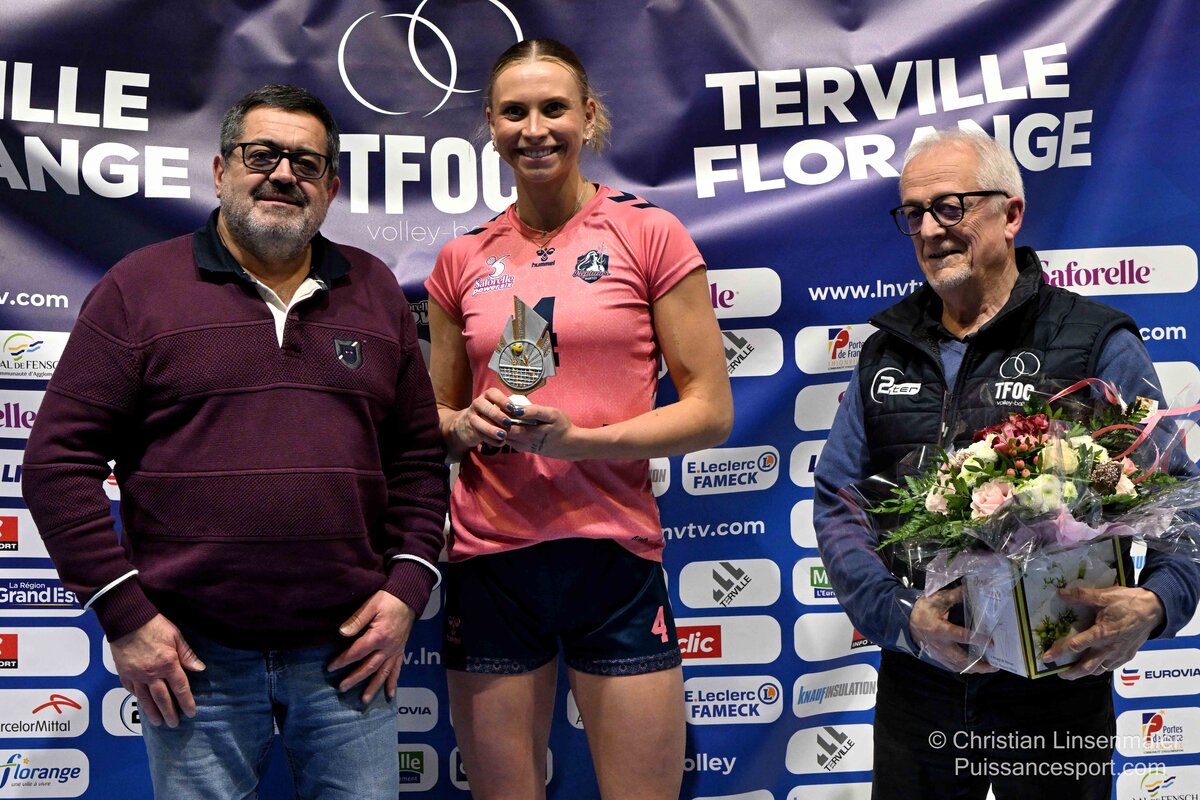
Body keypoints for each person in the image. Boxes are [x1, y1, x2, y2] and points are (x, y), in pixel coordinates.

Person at [22, 84, 448, 799]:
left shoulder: (374, 291)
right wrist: (126, 617)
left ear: (331, 188)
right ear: (221, 171)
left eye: (307, 163)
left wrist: (406, 590)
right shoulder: (137, 288)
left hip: (348, 654)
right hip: (192, 660)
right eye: (262, 155)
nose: (283, 174)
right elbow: (56, 464)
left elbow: (417, 462)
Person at [814, 128, 1200, 799]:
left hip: (1058, 681)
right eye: (914, 213)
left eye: (951, 207)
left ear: (1011, 213)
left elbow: (1172, 495)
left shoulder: (1093, 340)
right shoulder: (885, 352)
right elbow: (839, 500)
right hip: (922, 686)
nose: (930, 230)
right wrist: (900, 617)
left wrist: (1156, 602)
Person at [424, 39, 732, 800]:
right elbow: (435, 419)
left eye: (554, 109)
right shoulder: (462, 258)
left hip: (613, 558)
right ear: (491, 125)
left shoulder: (648, 232)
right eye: (514, 112)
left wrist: (582, 443)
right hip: (491, 563)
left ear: (588, 117)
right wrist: (463, 426)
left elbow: (710, 412)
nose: (535, 129)